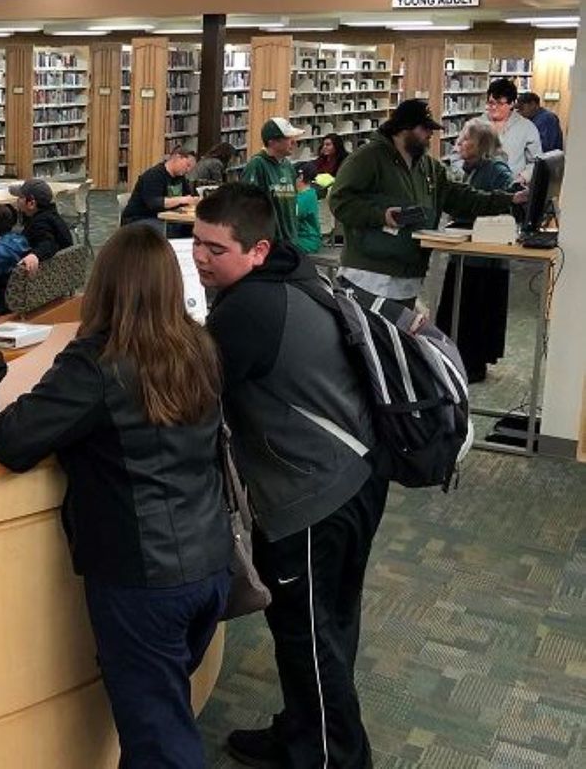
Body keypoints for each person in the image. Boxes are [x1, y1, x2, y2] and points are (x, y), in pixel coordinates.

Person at [0, 223, 232, 769]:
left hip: (144, 578)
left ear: (102, 288)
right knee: (162, 715)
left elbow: (13, 440)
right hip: (210, 562)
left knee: (160, 741)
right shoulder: (201, 348)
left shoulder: (95, 364)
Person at [193, 183, 386, 769]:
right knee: (330, 621)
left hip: (311, 496)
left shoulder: (250, 308)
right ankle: (303, 733)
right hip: (355, 476)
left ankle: (334, 757)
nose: (200, 259)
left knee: (308, 635)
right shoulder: (296, 274)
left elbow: (188, 394)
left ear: (256, 250)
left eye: (215, 251)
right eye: (196, 243)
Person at [329, 99, 526, 308]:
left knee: (398, 337)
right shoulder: (368, 158)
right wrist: (381, 215)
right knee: (368, 336)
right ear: (405, 128)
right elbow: (340, 200)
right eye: (425, 129)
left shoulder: (428, 166)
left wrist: (509, 199)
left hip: (409, 274)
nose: (430, 135)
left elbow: (461, 197)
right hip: (369, 274)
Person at [436, 120, 515, 383]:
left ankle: (472, 363)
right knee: (458, 308)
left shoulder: (497, 170)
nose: (459, 144)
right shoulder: (466, 169)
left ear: (480, 144)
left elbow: (507, 204)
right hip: (465, 251)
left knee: (474, 309)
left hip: (483, 258)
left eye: (465, 139)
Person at [242, 117, 305, 246]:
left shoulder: (288, 165)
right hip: (269, 242)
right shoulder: (257, 165)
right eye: (288, 138)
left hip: (290, 239)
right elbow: (247, 205)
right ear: (272, 142)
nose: (294, 143)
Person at [467, 77, 541, 181]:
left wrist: (524, 177)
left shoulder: (527, 128)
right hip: (479, 189)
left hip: (511, 188)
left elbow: (536, 162)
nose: (494, 107)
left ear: (511, 104)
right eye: (491, 102)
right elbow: (457, 156)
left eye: (500, 103)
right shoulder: (475, 125)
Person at [119, 145, 199, 235]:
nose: (188, 170)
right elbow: (154, 203)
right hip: (140, 219)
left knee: (194, 228)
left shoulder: (180, 177)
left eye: (190, 168)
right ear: (177, 157)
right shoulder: (153, 175)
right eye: (187, 165)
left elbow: (187, 197)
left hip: (163, 218)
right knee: (171, 230)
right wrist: (181, 200)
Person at [8, 178, 74, 275]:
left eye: (20, 197)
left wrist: (35, 255)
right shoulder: (53, 216)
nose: (17, 200)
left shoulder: (39, 224)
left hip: (41, 278)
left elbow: (47, 242)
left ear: (31, 203)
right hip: (60, 275)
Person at [294, 162, 323, 254]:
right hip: (299, 239)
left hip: (306, 240)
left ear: (300, 177)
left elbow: (292, 216)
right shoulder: (307, 193)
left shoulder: (306, 196)